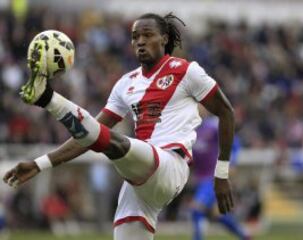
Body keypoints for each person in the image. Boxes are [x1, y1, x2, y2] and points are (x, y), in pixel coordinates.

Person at [3, 13, 235, 240]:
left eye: (147, 34)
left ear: (164, 39)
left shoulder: (186, 71)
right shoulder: (126, 84)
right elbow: (89, 134)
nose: (140, 41)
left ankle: (47, 98)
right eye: (135, 36)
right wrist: (39, 164)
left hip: (170, 166)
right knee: (106, 140)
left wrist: (221, 174)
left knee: (115, 143)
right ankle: (47, 98)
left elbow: (226, 112)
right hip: (138, 182)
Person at [191, 112, 250, 240]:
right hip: (200, 178)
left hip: (213, 177)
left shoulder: (213, 125)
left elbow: (233, 141)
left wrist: (231, 163)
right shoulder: (191, 127)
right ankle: (245, 235)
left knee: (197, 208)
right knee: (218, 215)